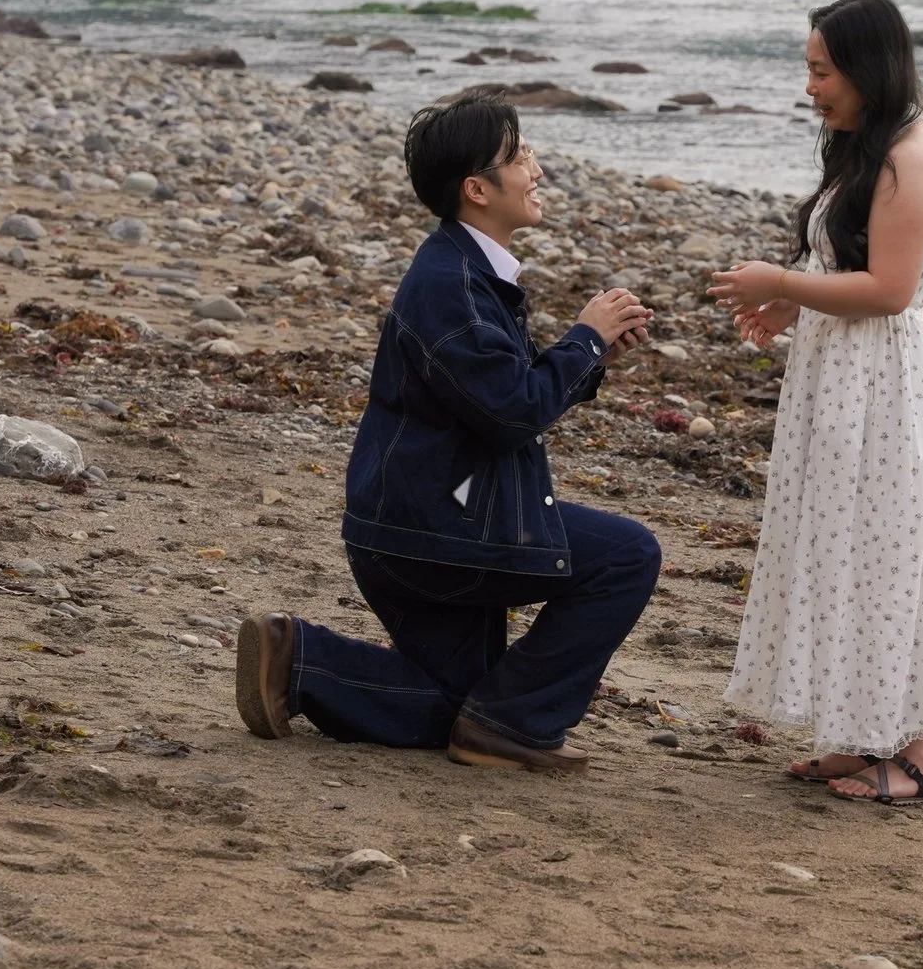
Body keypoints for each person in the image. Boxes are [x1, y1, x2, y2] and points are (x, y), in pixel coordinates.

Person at [235, 98, 659, 772]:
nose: (537, 169)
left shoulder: (464, 271)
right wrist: (582, 337)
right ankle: (515, 726)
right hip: (438, 529)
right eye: (521, 156)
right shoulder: (451, 284)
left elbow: (494, 399)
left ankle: (300, 661)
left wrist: (592, 357)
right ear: (477, 188)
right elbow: (512, 411)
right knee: (628, 555)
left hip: (417, 521)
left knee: (450, 702)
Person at [706, 0, 923, 805]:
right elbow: (856, 265)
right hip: (840, 376)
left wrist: (781, 279)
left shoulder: (909, 159)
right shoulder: (870, 148)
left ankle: (918, 757)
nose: (810, 88)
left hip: (883, 387)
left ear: (867, 68)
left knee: (893, 552)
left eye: (821, 71)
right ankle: (861, 735)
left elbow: (895, 291)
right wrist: (793, 305)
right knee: (846, 546)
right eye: (809, 69)